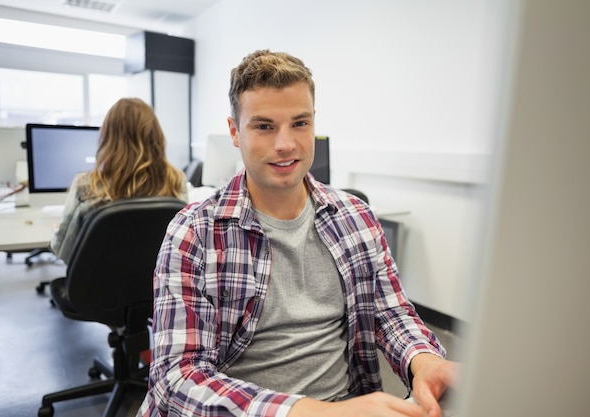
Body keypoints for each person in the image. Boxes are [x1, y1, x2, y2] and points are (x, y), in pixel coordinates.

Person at [137, 50, 459, 417]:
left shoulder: (355, 216)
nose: (286, 144)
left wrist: (424, 360)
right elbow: (177, 380)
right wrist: (313, 413)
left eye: (300, 123)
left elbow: (391, 313)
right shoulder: (194, 232)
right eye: (264, 126)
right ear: (234, 132)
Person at [50, 97, 188, 263]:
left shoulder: (86, 185)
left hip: (98, 287)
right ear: (155, 136)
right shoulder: (175, 180)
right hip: (157, 285)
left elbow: (64, 251)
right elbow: (181, 244)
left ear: (107, 137)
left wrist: (60, 232)